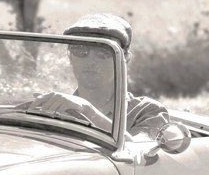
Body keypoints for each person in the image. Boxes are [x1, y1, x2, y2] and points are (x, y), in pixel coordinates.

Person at [26, 14, 170, 138]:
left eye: (104, 52)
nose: (91, 61)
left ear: (125, 59)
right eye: (80, 50)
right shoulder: (55, 109)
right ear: (70, 56)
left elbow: (136, 152)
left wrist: (87, 110)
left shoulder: (147, 111)